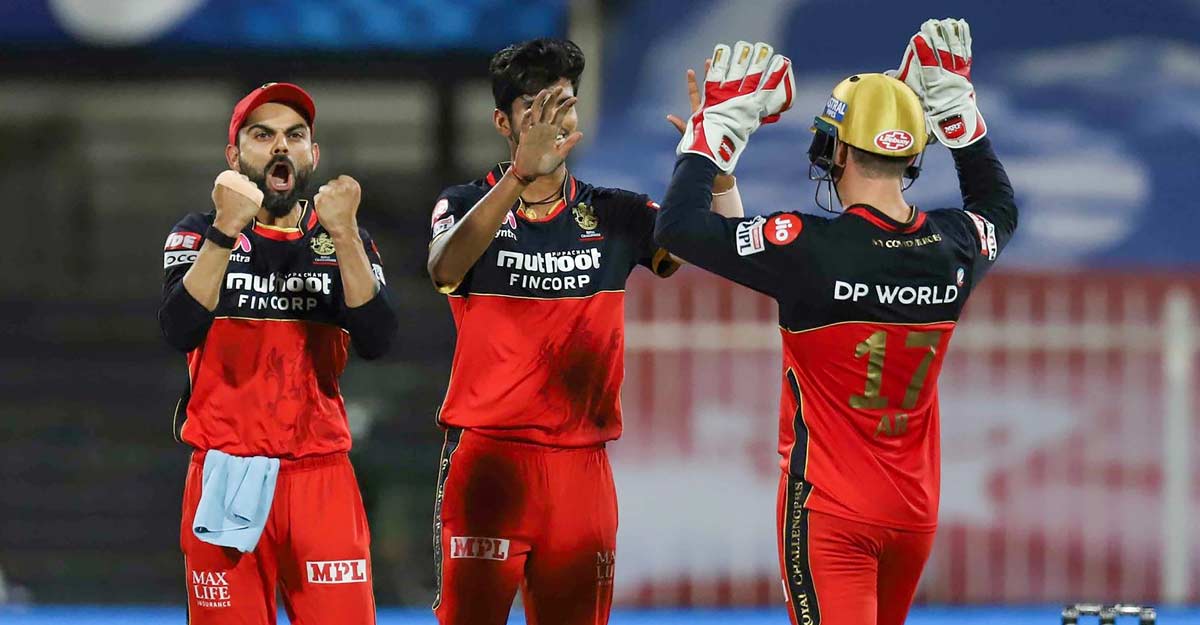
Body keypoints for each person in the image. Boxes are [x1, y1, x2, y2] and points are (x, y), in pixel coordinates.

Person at [654, 21, 1017, 625]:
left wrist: (716, 132)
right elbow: (998, 207)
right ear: (912, 154)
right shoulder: (955, 246)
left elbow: (679, 229)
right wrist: (959, 113)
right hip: (913, 514)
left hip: (830, 514)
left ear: (840, 151)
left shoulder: (807, 248)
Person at [425, 38, 751, 625]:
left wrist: (718, 166)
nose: (554, 119)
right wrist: (518, 177)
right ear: (503, 122)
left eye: (565, 103)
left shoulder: (615, 212)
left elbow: (728, 252)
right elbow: (445, 271)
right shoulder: (465, 203)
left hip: (581, 469)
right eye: (535, 106)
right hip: (489, 462)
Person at [158, 82, 398, 624]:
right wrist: (225, 228)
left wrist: (346, 235)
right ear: (234, 156)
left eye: (295, 135)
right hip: (224, 470)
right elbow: (178, 328)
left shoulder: (343, 240)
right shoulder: (197, 233)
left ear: (313, 154)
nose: (281, 146)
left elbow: (378, 339)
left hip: (320, 477)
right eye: (262, 135)